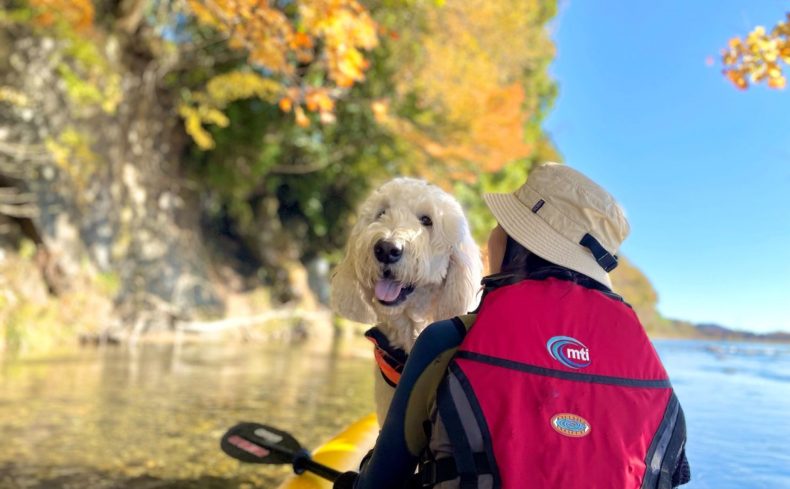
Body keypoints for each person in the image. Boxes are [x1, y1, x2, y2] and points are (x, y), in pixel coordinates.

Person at [333, 162, 691, 489]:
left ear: (514, 245)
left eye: (503, 225)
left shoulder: (447, 342)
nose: (491, 233)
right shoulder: (653, 377)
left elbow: (377, 484)